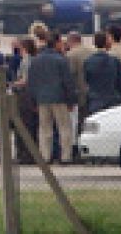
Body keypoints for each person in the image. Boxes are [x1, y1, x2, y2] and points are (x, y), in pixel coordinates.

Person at [27, 31, 77, 165]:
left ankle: (45, 156)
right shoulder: (61, 60)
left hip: (42, 99)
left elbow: (32, 82)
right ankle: (65, 156)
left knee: (44, 129)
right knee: (64, 128)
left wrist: (32, 100)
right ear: (56, 43)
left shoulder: (36, 60)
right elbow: (68, 82)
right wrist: (71, 100)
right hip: (59, 97)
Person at [84, 32, 121, 115]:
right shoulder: (114, 61)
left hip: (95, 101)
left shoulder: (88, 61)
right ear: (106, 43)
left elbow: (87, 80)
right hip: (112, 101)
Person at [64, 32, 95, 124]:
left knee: (82, 121)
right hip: (94, 92)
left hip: (81, 94)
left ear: (70, 41)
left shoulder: (70, 55)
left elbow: (70, 76)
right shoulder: (93, 50)